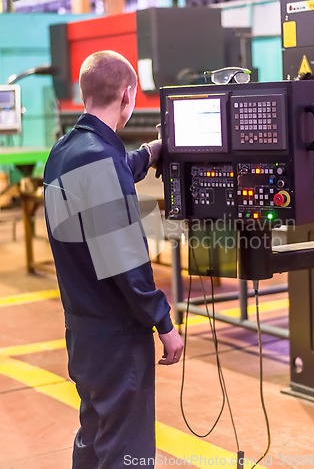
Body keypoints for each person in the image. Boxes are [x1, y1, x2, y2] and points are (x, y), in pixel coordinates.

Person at [44, 50, 184, 468]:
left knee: (95, 434)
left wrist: (151, 152)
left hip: (83, 333)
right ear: (128, 94)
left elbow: (114, 169)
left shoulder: (66, 151)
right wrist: (164, 322)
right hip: (117, 338)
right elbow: (126, 262)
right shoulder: (101, 161)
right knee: (127, 451)